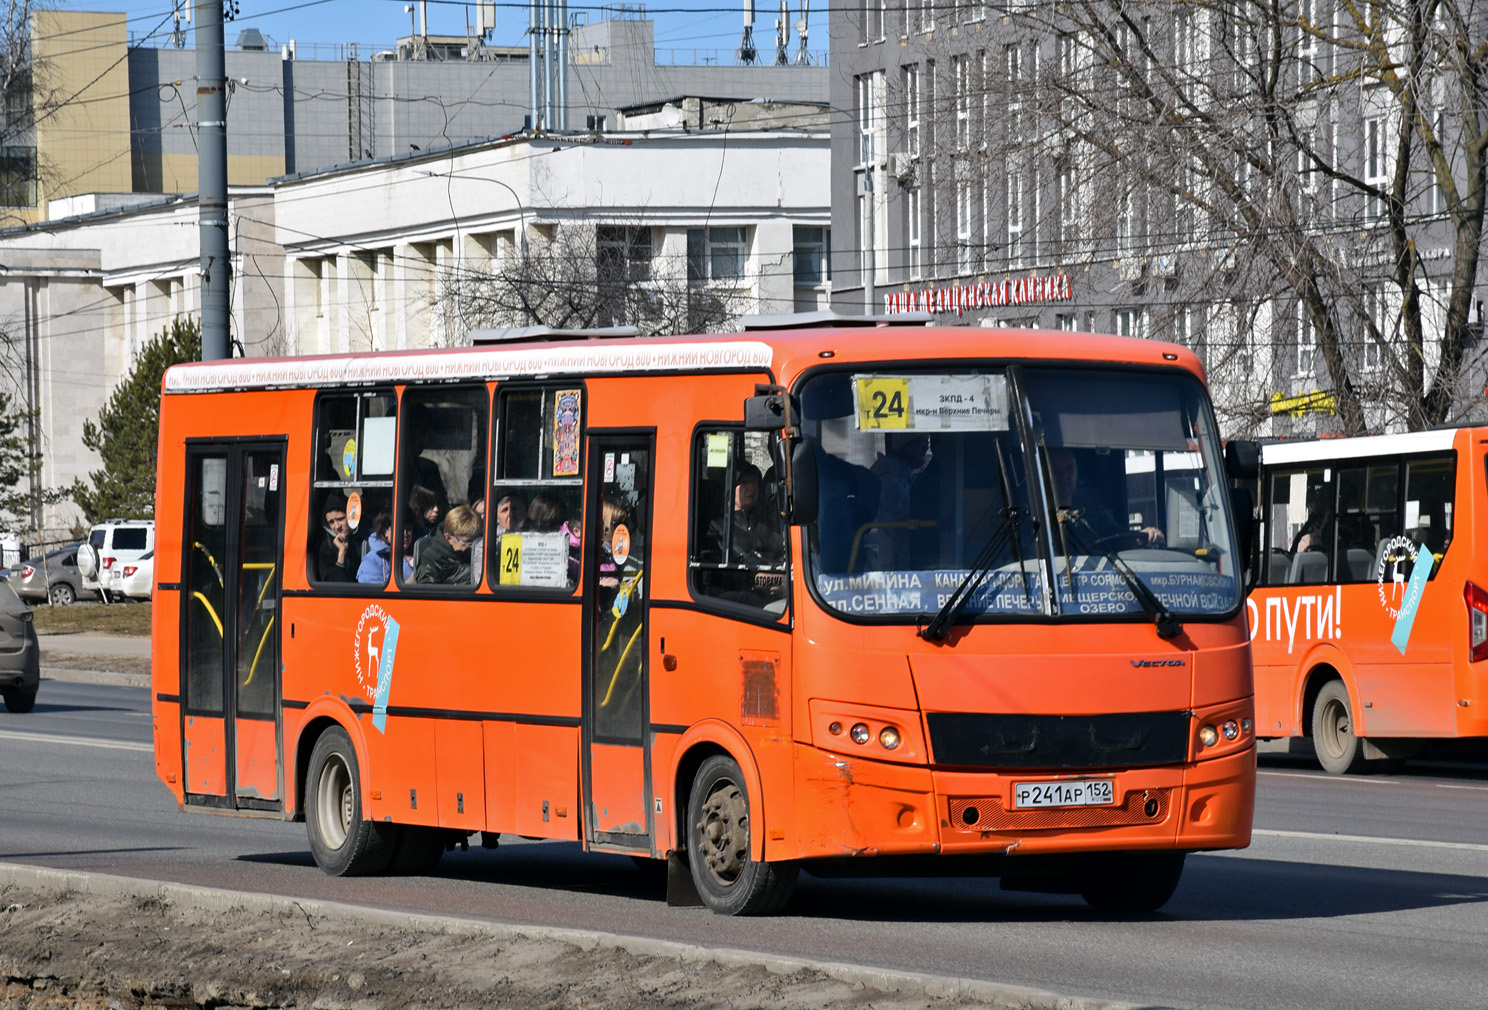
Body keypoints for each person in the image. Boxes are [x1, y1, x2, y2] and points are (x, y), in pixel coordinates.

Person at [1049, 447, 1164, 546]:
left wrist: (1144, 535)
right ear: (1046, 474)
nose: (1064, 476)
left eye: (1069, 469)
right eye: (1056, 470)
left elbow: (1120, 538)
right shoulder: (1036, 517)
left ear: (1076, 472)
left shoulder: (1094, 515)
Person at [710, 464, 784, 568]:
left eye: (755, 482)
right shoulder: (716, 528)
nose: (752, 487)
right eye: (744, 483)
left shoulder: (766, 525)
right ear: (728, 491)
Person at [414, 505, 480, 585]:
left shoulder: (473, 552)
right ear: (448, 537)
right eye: (467, 541)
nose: (472, 546)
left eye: (475, 540)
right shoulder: (431, 561)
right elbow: (427, 593)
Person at [316, 494, 356, 582]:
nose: (337, 526)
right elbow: (333, 584)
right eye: (331, 522)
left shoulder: (358, 539)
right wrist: (342, 554)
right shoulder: (327, 547)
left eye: (340, 519)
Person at [356, 512, 398, 585]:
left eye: (409, 529)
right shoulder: (371, 561)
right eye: (399, 529)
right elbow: (373, 592)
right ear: (386, 531)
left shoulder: (418, 554)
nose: (405, 533)